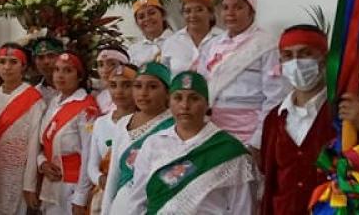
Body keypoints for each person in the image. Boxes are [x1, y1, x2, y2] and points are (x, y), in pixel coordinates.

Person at [259, 25, 359, 214]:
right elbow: (270, 184)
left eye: (306, 54)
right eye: (288, 56)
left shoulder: (351, 110)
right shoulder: (274, 119)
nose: (295, 64)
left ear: (325, 59)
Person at [111, 71, 258, 214]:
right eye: (178, 98)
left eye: (194, 98)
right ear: (169, 102)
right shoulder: (153, 144)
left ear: (207, 104)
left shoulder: (228, 150)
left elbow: (242, 207)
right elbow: (137, 201)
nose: (185, 105)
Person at [197, 0, 286, 148]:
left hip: (249, 130)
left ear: (251, 12)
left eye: (238, 7)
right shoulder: (211, 45)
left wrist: (259, 140)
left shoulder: (266, 45)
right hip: (212, 127)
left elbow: (275, 97)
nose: (230, 13)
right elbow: (201, 86)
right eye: (225, 7)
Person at [101, 63, 174, 213]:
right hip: (121, 205)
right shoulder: (123, 124)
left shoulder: (174, 126)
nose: (143, 93)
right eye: (138, 86)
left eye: (152, 87)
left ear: (167, 92)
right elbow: (114, 175)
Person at [36, 52, 100, 215]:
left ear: (79, 76)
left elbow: (89, 154)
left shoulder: (86, 107)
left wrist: (80, 196)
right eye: (57, 70)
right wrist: (42, 163)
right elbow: (44, 143)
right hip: (50, 184)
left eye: (68, 70)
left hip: (72, 188)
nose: (60, 75)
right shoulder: (54, 102)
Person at [0, 42, 44, 215]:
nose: (7, 67)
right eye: (2, 62)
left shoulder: (34, 99)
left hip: (18, 172)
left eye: (13, 62)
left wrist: (29, 184)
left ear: (24, 66)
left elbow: (34, 145)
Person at [82, 63, 138, 214]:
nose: (119, 91)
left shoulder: (145, 125)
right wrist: (101, 179)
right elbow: (92, 165)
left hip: (133, 198)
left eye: (127, 85)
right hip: (103, 196)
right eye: (113, 85)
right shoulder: (100, 123)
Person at [161, 0, 224, 73]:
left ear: (211, 13)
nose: (193, 15)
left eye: (199, 10)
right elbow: (164, 76)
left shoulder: (223, 40)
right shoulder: (171, 42)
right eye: (187, 11)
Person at [127, 0, 172, 67]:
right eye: (141, 17)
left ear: (163, 15)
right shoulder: (133, 51)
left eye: (152, 13)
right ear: (137, 23)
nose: (147, 18)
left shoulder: (181, 39)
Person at [93, 46, 131, 113]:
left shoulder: (133, 94)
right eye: (101, 65)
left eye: (112, 64)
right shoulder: (99, 97)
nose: (105, 70)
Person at [30, 37, 65, 104]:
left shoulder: (74, 89)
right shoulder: (34, 94)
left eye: (51, 56)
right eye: (40, 57)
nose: (46, 61)